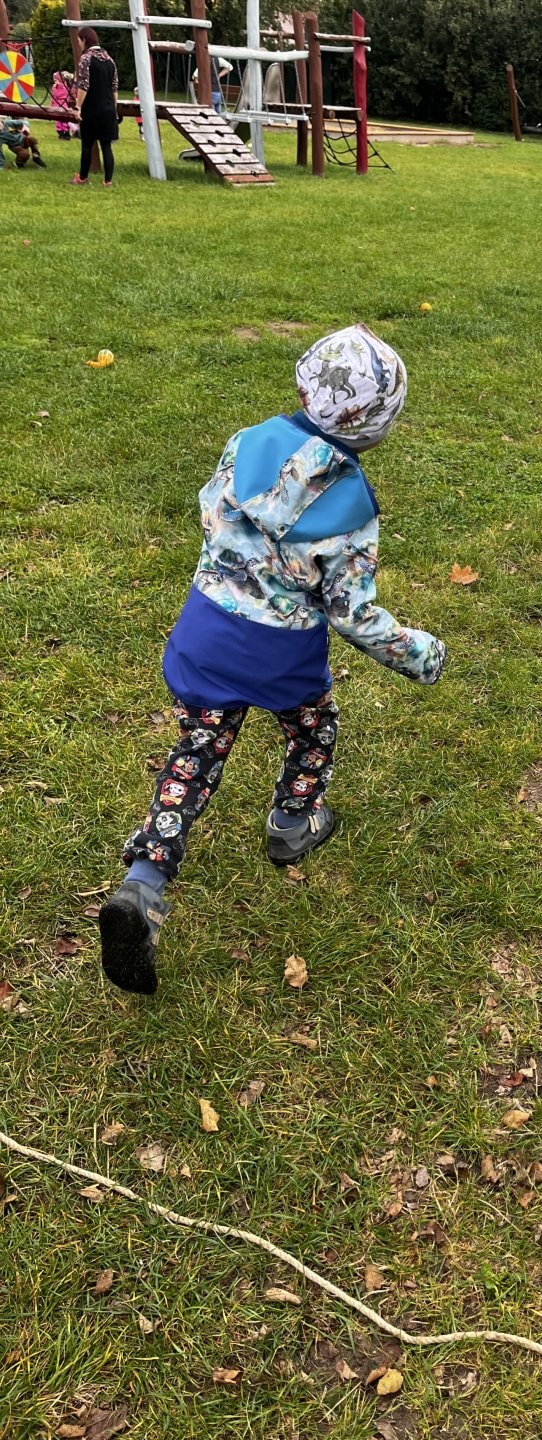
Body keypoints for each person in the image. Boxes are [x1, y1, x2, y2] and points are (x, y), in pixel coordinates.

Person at [98, 324, 447, 996]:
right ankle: (292, 821)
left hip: (206, 631)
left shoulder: (247, 442)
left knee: (197, 751)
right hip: (281, 654)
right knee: (313, 728)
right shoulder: (349, 506)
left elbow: (210, 510)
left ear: (303, 384)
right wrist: (419, 652)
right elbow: (351, 612)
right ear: (377, 427)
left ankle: (144, 881)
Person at [72, 27, 119, 188]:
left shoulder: (86, 59)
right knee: (106, 146)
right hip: (108, 109)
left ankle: (82, 178)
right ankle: (108, 181)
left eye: (79, 41)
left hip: (91, 108)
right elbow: (114, 88)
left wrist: (78, 107)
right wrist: (114, 108)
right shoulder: (109, 60)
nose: (79, 44)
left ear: (84, 40)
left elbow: (84, 86)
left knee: (87, 144)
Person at [51, 71, 79, 141]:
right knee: (59, 121)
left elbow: (58, 95)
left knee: (64, 121)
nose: (55, 82)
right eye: (54, 80)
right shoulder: (56, 87)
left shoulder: (63, 87)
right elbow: (54, 96)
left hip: (63, 105)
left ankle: (69, 132)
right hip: (57, 106)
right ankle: (62, 133)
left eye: (56, 80)